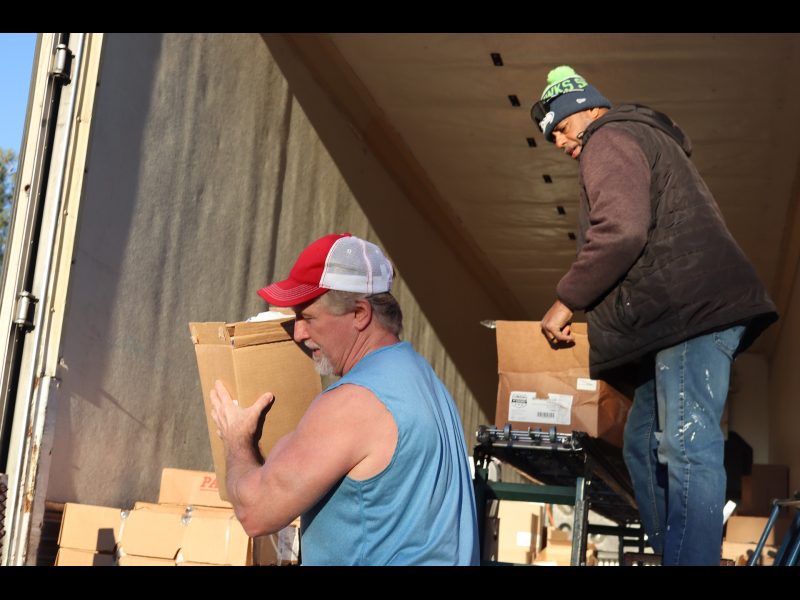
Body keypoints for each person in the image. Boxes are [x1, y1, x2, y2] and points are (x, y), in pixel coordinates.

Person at [532, 66, 778, 565]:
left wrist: (567, 299)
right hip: (665, 324)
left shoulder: (610, 138)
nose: (559, 142)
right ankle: (678, 554)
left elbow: (621, 231)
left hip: (691, 314)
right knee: (642, 445)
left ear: (584, 109)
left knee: (687, 444)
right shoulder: (627, 139)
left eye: (559, 128)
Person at [210, 232, 479, 566]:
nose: (298, 333)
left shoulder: (354, 402)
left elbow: (254, 512)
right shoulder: (426, 381)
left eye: (308, 318)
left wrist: (237, 440)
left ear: (360, 314)